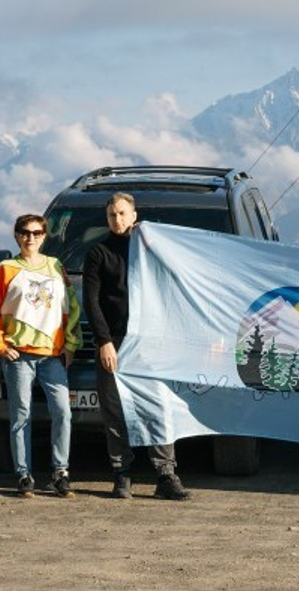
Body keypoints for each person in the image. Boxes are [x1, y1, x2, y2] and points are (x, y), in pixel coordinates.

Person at [84, 192, 190, 501]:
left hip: (152, 341)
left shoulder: (151, 250)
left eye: (121, 214)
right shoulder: (98, 253)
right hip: (114, 343)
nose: (116, 220)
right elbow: (92, 301)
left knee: (159, 407)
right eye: (111, 215)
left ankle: (166, 475)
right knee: (115, 411)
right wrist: (103, 341)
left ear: (134, 215)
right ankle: (121, 475)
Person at [0, 214, 80, 499]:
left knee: (63, 412)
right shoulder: (6, 268)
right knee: (20, 415)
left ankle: (61, 472)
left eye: (36, 233)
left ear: (45, 236)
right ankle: (23, 474)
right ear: (16, 236)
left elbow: (71, 306)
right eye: (24, 232)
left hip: (52, 356)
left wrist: (71, 343)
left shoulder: (55, 266)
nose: (30, 237)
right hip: (19, 356)